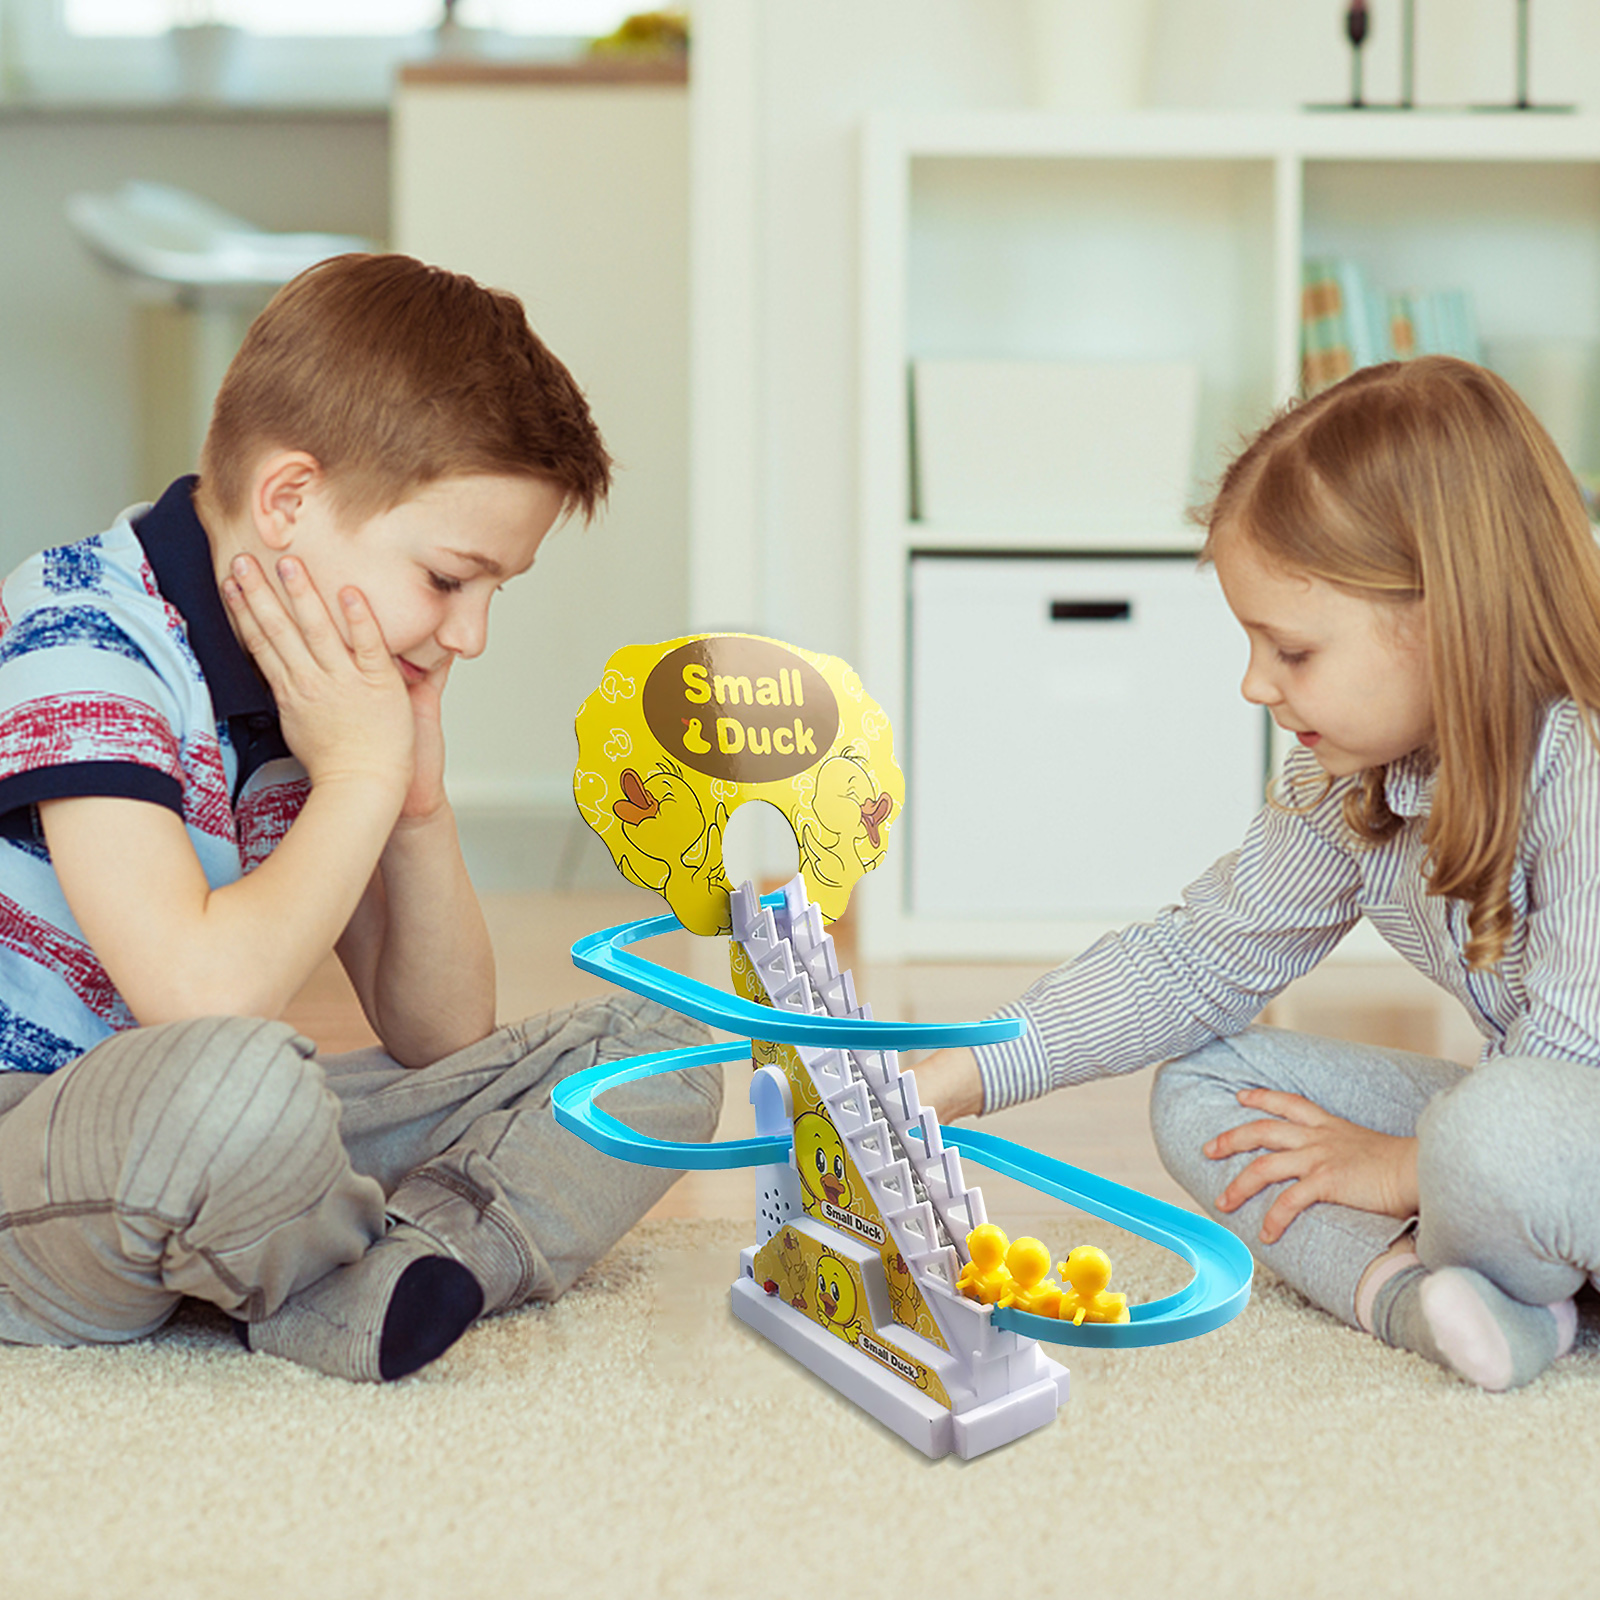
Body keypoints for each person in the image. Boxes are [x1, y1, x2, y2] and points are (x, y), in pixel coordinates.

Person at [0, 253, 720, 1382]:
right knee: (240, 1092)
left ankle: (395, 1262)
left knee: (652, 1058)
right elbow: (199, 1002)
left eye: (495, 593)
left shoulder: (323, 684)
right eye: (448, 578)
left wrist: (416, 807)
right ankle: (352, 1271)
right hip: (39, 1144)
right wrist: (359, 779)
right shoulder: (82, 635)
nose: (470, 633)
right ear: (290, 499)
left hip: (216, 1134)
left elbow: (442, 1033)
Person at [916, 355, 1600, 1393]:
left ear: (1442, 617)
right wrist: (957, 1075)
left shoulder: (1583, 758)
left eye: (1290, 649)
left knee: (1493, 1135)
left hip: (1556, 1114)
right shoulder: (1349, 780)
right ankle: (1425, 1300)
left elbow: (1567, 1061)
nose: (1254, 683)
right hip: (1534, 1146)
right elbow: (1196, 962)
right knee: (1209, 1085)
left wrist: (1394, 1163)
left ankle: (1509, 1261)